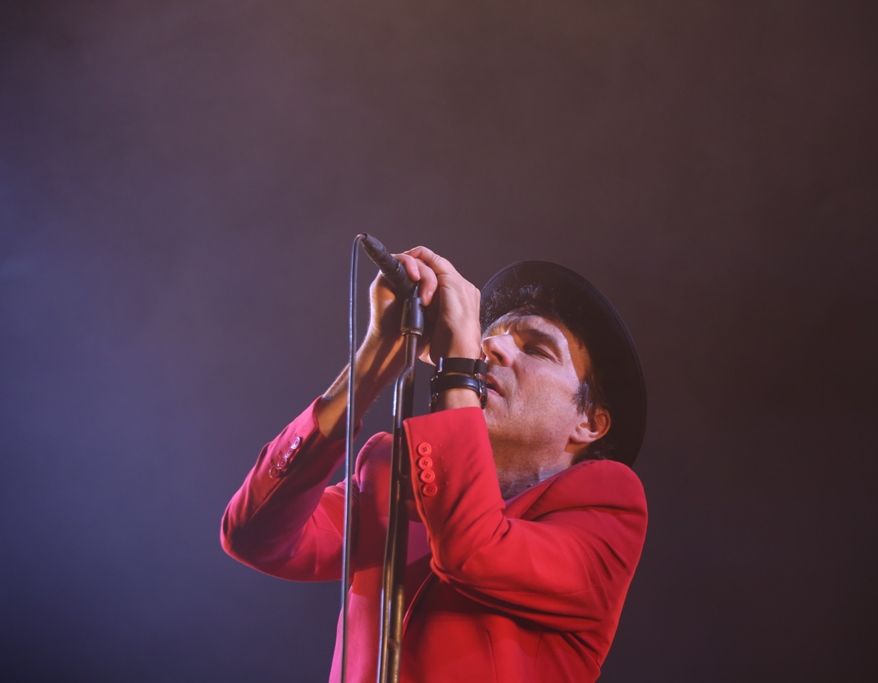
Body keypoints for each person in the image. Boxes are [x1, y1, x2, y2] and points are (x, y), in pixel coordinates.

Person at [221, 246, 648, 683]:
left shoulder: (609, 504)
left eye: (536, 349)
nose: (492, 346)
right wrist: (374, 359)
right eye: (492, 334)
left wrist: (459, 367)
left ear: (589, 424)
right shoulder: (394, 473)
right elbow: (254, 537)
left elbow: (474, 549)